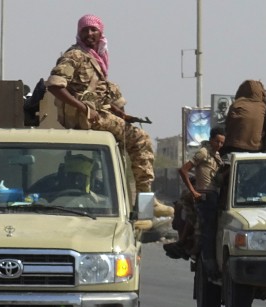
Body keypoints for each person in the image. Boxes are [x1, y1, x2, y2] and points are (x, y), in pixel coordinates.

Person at [45, 14, 173, 217]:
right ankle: (146, 199)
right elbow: (54, 85)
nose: (89, 33)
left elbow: (99, 93)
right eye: (84, 30)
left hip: (94, 113)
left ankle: (129, 196)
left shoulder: (96, 57)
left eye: (93, 30)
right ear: (79, 33)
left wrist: (122, 114)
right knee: (141, 139)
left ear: (100, 33)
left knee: (116, 97)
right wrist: (83, 108)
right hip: (84, 117)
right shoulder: (75, 55)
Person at [164, 127, 226, 269]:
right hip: (203, 195)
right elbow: (183, 170)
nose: (219, 145)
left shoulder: (216, 155)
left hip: (212, 195)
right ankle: (201, 257)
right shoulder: (203, 153)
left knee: (202, 225)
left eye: (222, 143)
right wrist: (193, 191)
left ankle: (185, 246)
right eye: (217, 141)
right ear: (211, 140)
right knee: (205, 230)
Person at [221, 79, 266, 155]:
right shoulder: (263, 107)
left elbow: (227, 126)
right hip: (256, 148)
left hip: (234, 147)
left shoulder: (236, 105)